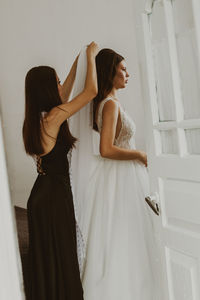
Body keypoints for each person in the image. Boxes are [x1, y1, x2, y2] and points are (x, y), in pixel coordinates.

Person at [71, 48, 160, 300]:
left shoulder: (111, 102)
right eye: (122, 69)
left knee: (126, 233)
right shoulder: (109, 105)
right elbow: (106, 149)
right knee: (126, 232)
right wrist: (140, 155)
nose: (127, 74)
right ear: (110, 73)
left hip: (121, 176)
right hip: (121, 177)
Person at [22, 41, 99, 300]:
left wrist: (78, 59)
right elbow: (90, 92)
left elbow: (64, 91)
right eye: (54, 82)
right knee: (61, 254)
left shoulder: (39, 118)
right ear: (46, 89)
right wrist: (90, 56)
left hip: (42, 194)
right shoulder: (54, 116)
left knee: (48, 258)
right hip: (54, 196)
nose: (60, 86)